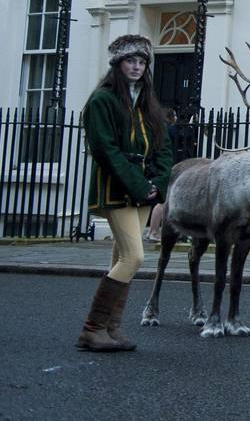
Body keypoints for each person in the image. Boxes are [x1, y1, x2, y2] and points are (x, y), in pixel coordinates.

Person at [75, 34, 173, 352]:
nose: (136, 67)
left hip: (144, 190)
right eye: (130, 61)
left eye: (142, 62)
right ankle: (92, 329)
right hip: (116, 188)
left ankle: (111, 329)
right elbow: (106, 150)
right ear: (118, 64)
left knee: (121, 256)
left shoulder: (148, 104)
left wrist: (158, 182)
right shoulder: (102, 100)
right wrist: (139, 185)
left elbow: (163, 147)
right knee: (135, 256)